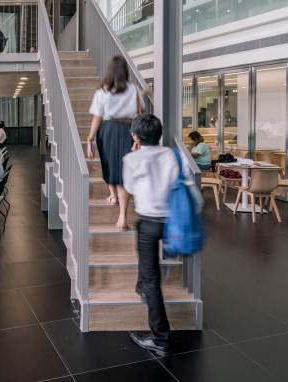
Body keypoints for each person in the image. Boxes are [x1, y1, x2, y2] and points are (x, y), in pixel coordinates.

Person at [123, 114, 194, 357]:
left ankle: (160, 339)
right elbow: (186, 183)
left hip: (149, 223)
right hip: (174, 221)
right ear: (159, 134)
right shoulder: (175, 155)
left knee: (151, 279)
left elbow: (130, 188)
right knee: (147, 274)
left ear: (136, 136)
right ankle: (142, 286)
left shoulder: (131, 159)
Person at [86, 56, 143, 230]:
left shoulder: (102, 91)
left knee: (111, 167)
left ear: (109, 71)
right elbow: (139, 112)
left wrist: (90, 138)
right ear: (125, 71)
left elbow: (97, 117)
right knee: (124, 172)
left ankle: (115, 200)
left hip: (108, 131)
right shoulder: (133, 89)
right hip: (128, 130)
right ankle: (122, 217)